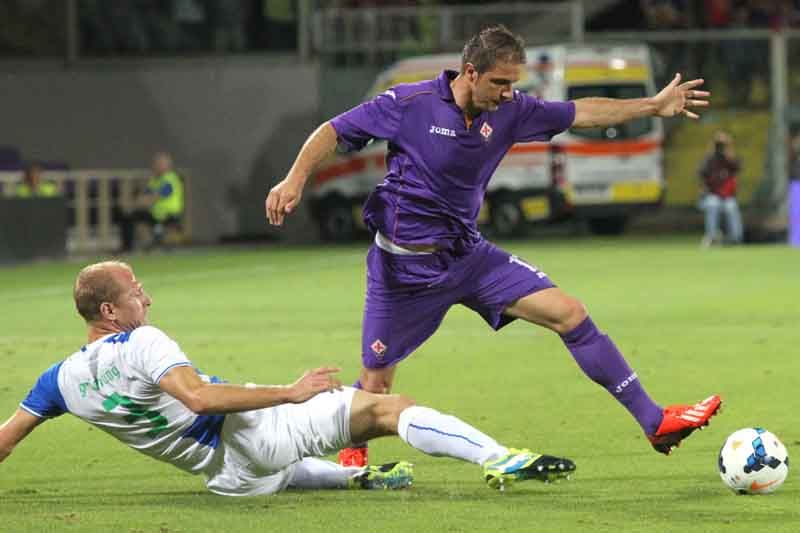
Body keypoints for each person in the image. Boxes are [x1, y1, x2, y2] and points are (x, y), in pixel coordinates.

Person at [265, 25, 722, 467]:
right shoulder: (410, 103)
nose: (508, 93)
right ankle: (352, 458)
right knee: (376, 385)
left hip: (470, 258)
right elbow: (333, 129)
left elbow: (581, 111)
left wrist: (652, 105)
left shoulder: (511, 110)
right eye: (499, 82)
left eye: (513, 84)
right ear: (469, 73)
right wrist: (294, 178)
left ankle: (653, 420)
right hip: (403, 272)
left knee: (571, 314)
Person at [0, 260, 575, 495]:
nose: (145, 298)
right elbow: (199, 400)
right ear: (109, 312)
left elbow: (7, 437)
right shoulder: (143, 343)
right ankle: (498, 457)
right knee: (385, 409)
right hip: (250, 435)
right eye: (135, 292)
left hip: (227, 479)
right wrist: (290, 390)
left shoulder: (60, 380)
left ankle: (353, 480)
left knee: (286, 460)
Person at [118, 152, 184, 253]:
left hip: (168, 214)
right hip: (156, 213)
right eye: (156, 164)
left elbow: (157, 196)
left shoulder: (170, 179)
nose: (157, 166)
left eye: (160, 164)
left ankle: (156, 245)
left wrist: (140, 202)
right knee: (128, 216)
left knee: (133, 215)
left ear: (168, 165)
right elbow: (146, 194)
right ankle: (128, 247)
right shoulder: (155, 179)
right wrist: (137, 201)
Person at [698, 131, 743, 246]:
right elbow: (702, 173)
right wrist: (713, 146)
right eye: (719, 144)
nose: (720, 147)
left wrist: (728, 147)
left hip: (728, 196)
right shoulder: (710, 159)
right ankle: (712, 237)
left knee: (731, 207)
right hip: (712, 194)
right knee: (713, 204)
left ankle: (735, 238)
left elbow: (737, 166)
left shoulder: (729, 159)